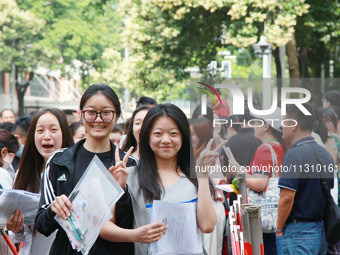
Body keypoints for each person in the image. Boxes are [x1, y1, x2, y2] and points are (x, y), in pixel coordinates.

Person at [35, 84, 164, 255]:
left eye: (106, 112)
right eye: (91, 112)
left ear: (116, 116)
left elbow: (131, 223)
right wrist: (54, 209)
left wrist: (122, 190)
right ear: (81, 115)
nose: (98, 119)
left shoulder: (130, 164)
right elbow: (42, 225)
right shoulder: (59, 161)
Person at [125, 103, 220, 255]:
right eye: (158, 133)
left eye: (173, 133)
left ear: (183, 137)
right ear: (147, 137)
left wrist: (202, 178)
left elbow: (208, 226)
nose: (166, 140)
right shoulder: (130, 177)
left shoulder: (195, 178)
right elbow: (106, 225)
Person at [6, 108, 74, 255]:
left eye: (53, 130)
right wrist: (16, 227)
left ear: (64, 133)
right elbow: (19, 236)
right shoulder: (23, 174)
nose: (46, 136)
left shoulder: (74, 172)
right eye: (40, 130)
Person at [276, 104, 334, 255]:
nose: (282, 126)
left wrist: (279, 228)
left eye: (284, 121)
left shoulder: (294, 155)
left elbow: (287, 198)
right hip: (320, 231)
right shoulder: (325, 154)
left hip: (298, 233)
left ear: (293, 125)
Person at [229, 109, 285, 255]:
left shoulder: (264, 149)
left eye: (256, 121)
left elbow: (259, 184)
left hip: (264, 218)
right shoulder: (280, 147)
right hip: (278, 215)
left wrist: (239, 170)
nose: (253, 125)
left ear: (266, 126)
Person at [190, 117, 226, 255]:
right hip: (200, 207)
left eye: (192, 134)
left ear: (202, 136)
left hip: (209, 207)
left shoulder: (208, 157)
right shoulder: (190, 155)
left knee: (208, 248)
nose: (187, 137)